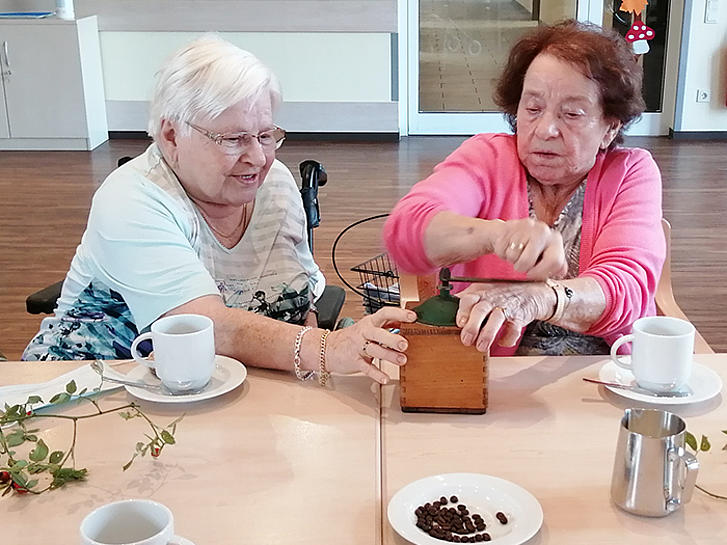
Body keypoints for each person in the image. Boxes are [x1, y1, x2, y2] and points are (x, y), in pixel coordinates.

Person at [24, 35, 415, 384]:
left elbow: (300, 294)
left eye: (265, 135)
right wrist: (327, 348)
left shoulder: (274, 182)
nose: (258, 157)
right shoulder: (131, 199)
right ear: (171, 135)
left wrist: (313, 370)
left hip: (232, 388)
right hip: (97, 389)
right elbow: (202, 326)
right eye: (233, 139)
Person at [384, 20, 665, 357]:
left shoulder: (630, 172)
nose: (545, 129)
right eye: (532, 109)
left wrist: (544, 298)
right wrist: (496, 236)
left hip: (603, 374)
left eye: (571, 114)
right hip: (488, 375)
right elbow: (406, 232)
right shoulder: (488, 157)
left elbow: (627, 289)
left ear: (609, 127)